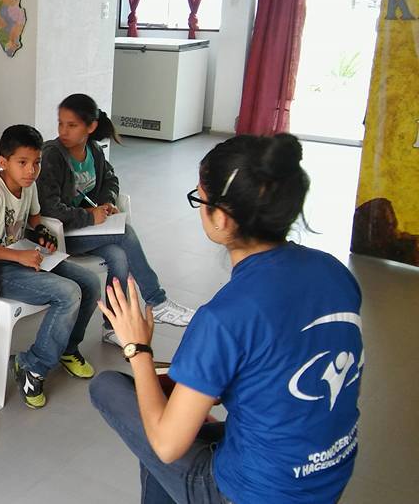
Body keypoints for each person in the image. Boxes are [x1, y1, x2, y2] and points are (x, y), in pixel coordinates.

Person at [89, 134, 363, 504]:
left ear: (220, 215)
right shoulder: (334, 272)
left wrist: (137, 348)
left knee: (110, 388)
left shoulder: (224, 317)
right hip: (330, 473)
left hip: (255, 493)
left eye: (199, 198)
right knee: (166, 421)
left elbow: (167, 446)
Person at [0, 125, 104, 409]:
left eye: (36, 162)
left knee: (90, 283)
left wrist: (41, 235)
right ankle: (32, 365)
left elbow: (34, 219)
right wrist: (18, 257)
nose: (31, 170)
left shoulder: (28, 186)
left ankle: (67, 348)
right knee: (68, 294)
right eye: (23, 163)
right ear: (3, 162)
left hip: (21, 256)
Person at [37, 93, 196, 345]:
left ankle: (112, 327)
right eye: (61, 123)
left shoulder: (94, 151)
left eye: (72, 125)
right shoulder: (52, 155)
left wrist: (107, 201)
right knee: (126, 233)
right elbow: (50, 209)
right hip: (60, 233)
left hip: (86, 230)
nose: (63, 131)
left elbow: (111, 180)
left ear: (90, 127)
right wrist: (90, 215)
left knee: (119, 256)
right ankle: (156, 301)